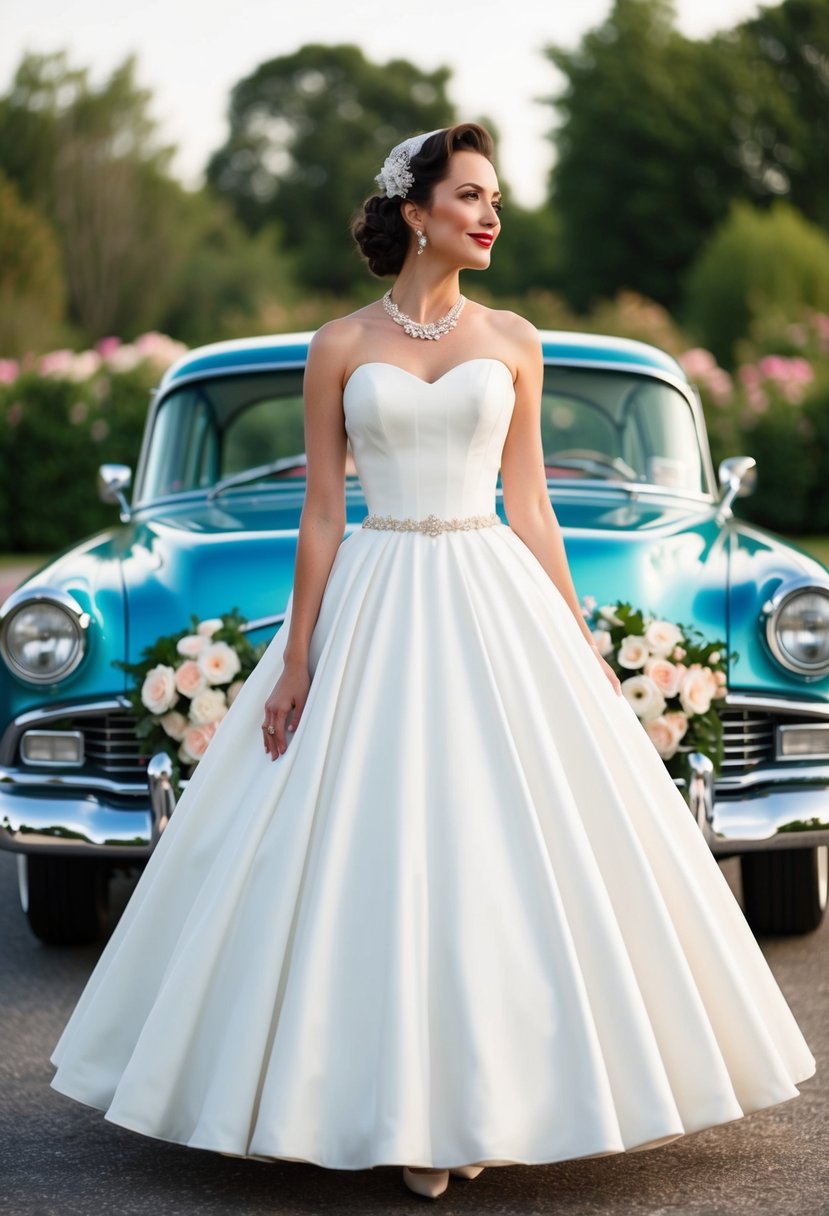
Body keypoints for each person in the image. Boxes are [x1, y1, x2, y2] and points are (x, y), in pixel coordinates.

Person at [51, 124, 815, 1202]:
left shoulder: (514, 338)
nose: (491, 214)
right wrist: (298, 657)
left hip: (489, 588)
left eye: (495, 197)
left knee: (495, 842)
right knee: (367, 848)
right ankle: (368, 1102)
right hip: (375, 588)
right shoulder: (337, 346)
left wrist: (581, 645)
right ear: (416, 212)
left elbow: (534, 504)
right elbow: (321, 514)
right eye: (469, 195)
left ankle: (489, 1102)